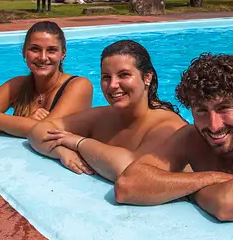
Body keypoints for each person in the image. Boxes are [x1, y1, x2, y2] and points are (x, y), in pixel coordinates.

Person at [114, 53, 233, 223]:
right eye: (201, 111)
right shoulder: (190, 138)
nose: (214, 125)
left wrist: (179, 189)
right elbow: (126, 186)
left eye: (224, 108)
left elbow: (229, 206)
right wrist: (212, 178)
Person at [27, 40, 187, 180]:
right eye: (106, 77)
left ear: (147, 77)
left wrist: (79, 143)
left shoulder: (167, 126)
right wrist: (61, 151)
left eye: (124, 75)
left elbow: (132, 171)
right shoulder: (102, 116)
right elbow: (38, 131)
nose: (112, 85)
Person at [0, 21, 93, 137]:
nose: (43, 57)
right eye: (35, 49)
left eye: (51, 50)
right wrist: (26, 122)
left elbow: (48, 132)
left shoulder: (79, 85)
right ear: (24, 52)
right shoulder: (17, 85)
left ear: (63, 54)